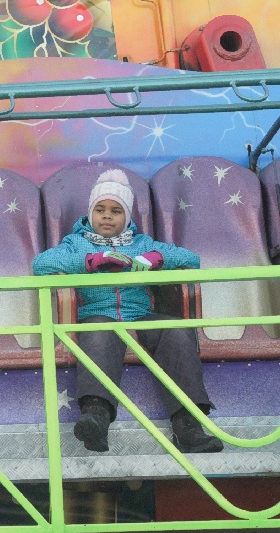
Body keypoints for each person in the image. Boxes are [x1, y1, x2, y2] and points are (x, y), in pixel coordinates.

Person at [32, 169, 221, 454]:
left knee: (176, 330)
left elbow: (191, 259)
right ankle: (96, 416)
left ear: (127, 217)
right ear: (91, 213)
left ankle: (189, 425)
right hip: (98, 313)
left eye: (116, 211)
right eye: (100, 210)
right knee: (99, 331)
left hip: (139, 314)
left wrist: (157, 258)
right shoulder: (76, 243)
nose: (107, 217)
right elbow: (41, 264)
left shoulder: (142, 243)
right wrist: (93, 261)